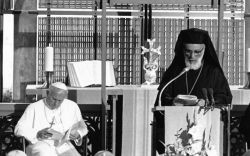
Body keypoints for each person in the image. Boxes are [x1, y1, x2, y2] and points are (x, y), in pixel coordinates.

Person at [154, 28, 232, 155]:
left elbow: (225, 97)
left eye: (197, 52)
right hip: (176, 130)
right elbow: (161, 98)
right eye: (188, 51)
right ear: (182, 50)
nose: (192, 56)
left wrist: (206, 102)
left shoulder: (213, 72)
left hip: (206, 128)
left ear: (205, 50)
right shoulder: (175, 72)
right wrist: (172, 102)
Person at [14, 82, 88, 156]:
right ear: (47, 93)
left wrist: (78, 134)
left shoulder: (72, 106)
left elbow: (82, 127)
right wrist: (37, 134)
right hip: (40, 145)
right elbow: (18, 129)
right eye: (53, 99)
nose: (56, 104)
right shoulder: (33, 107)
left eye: (60, 101)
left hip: (63, 145)